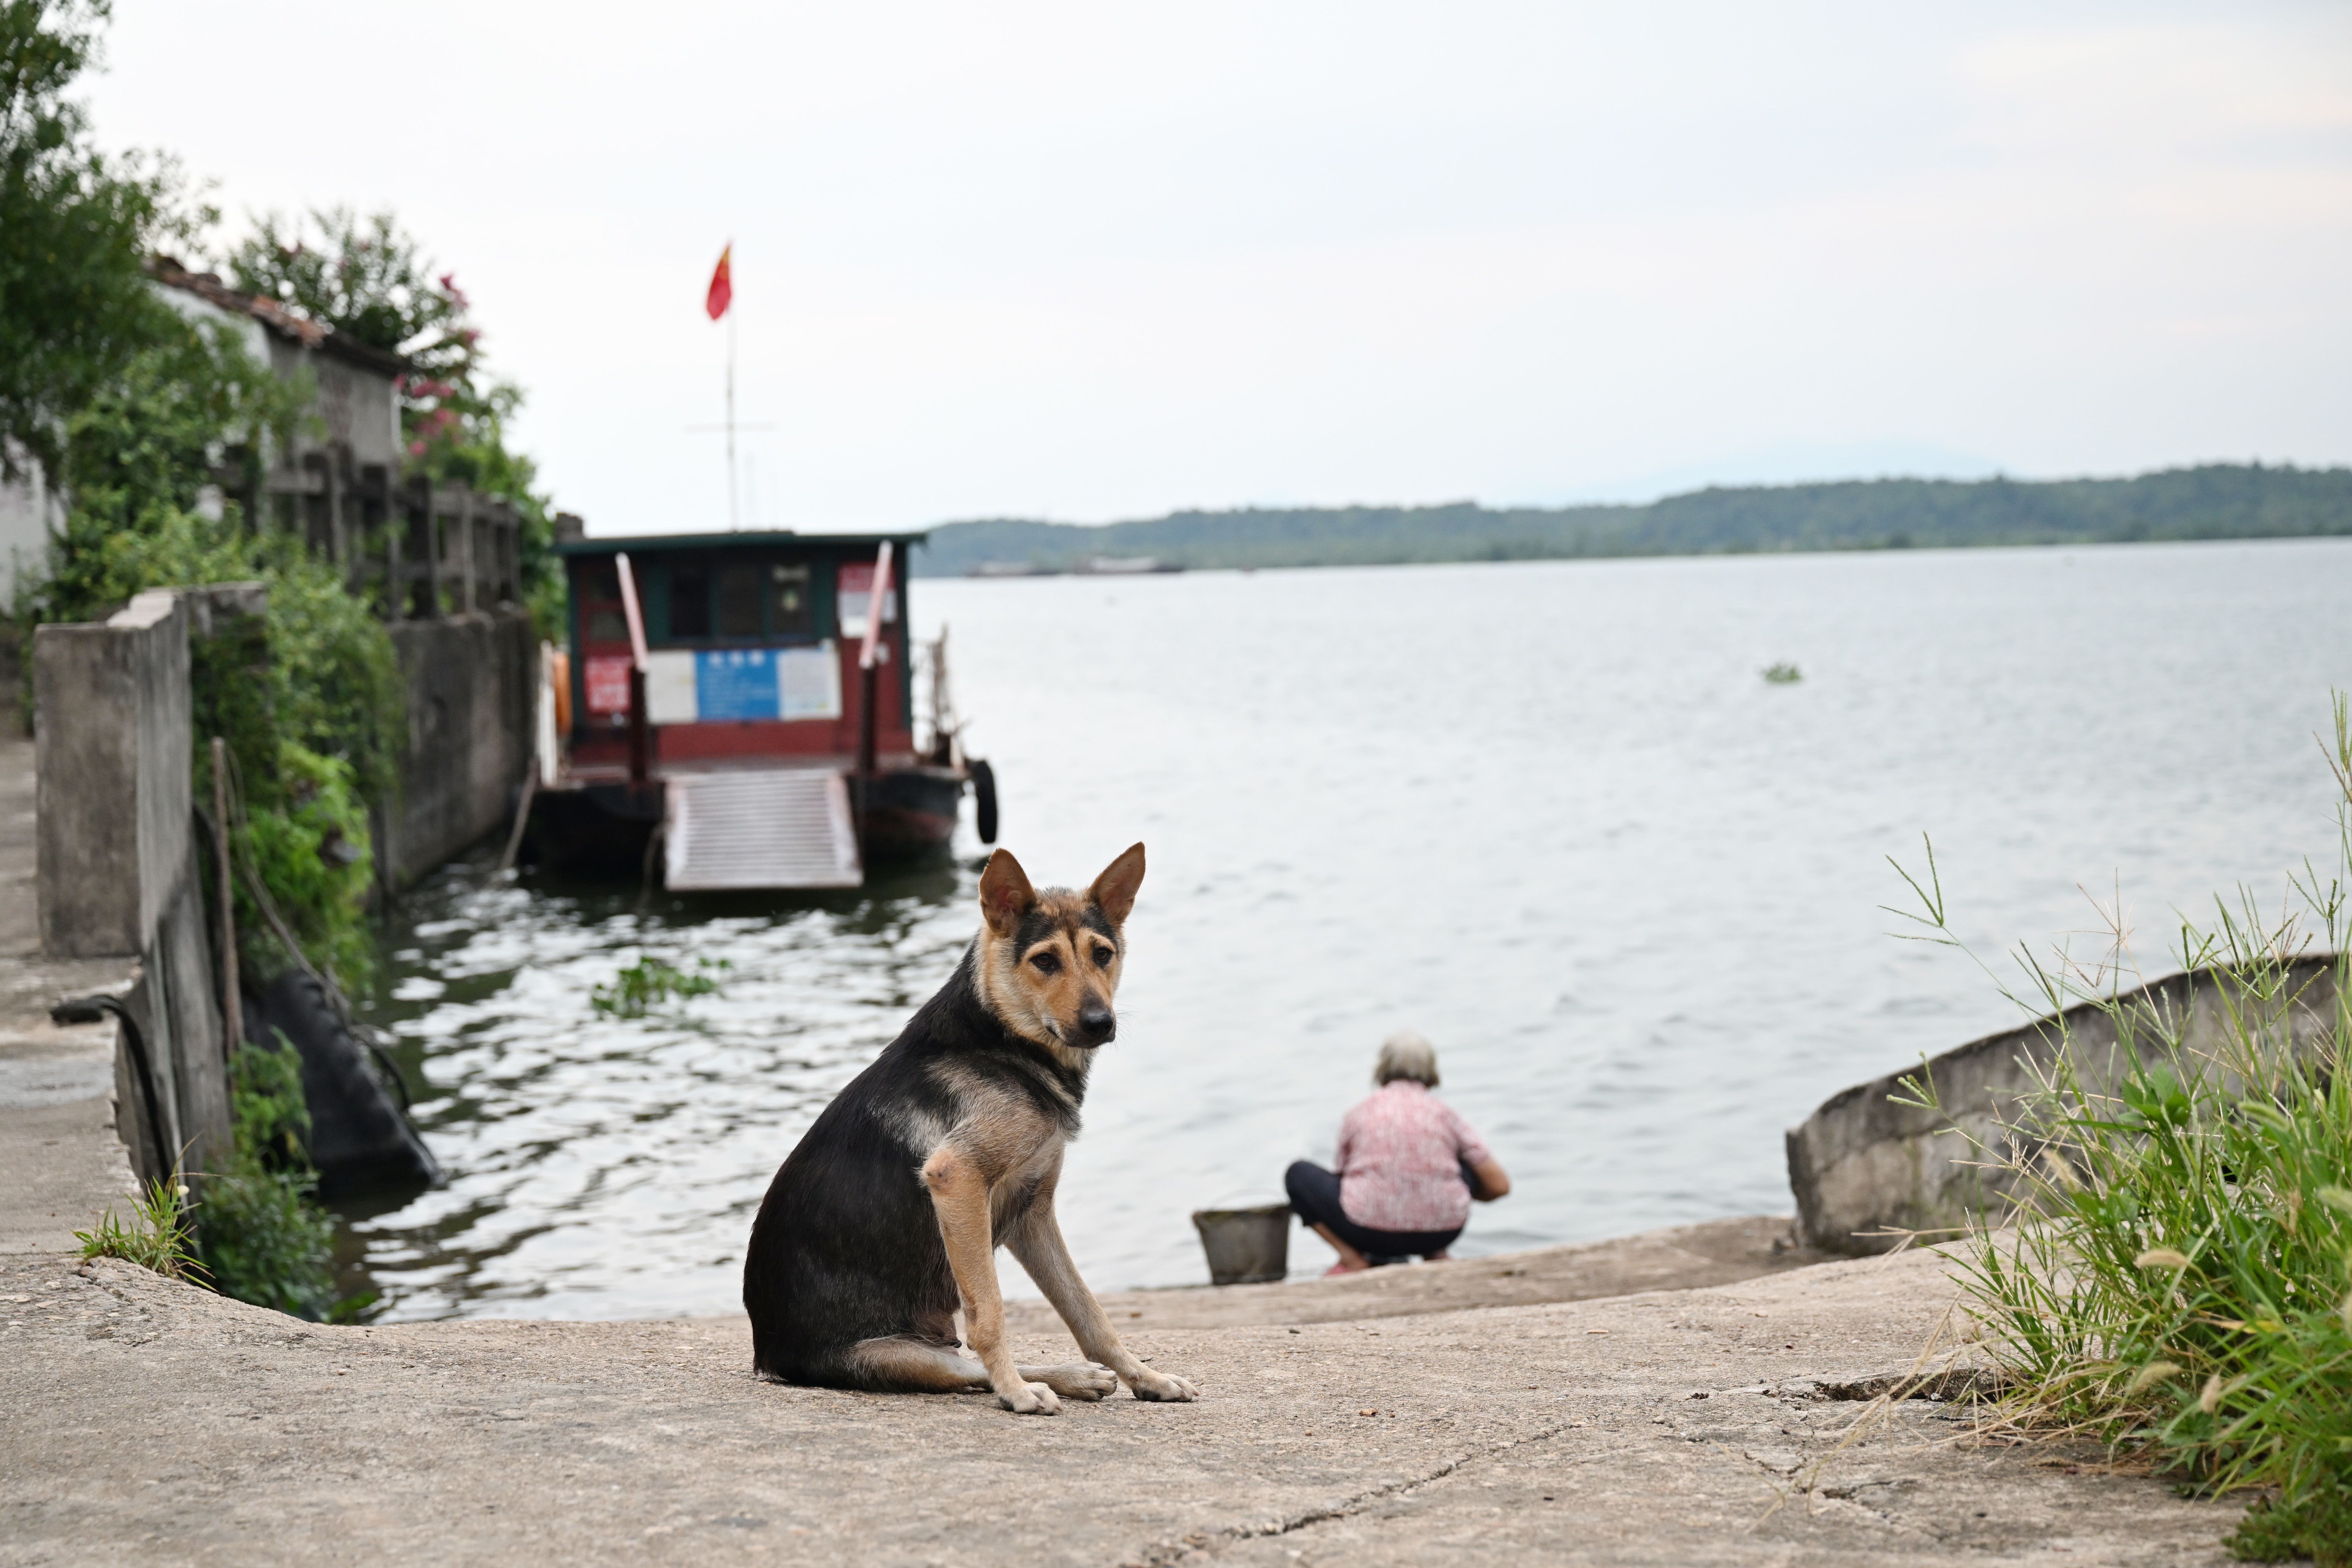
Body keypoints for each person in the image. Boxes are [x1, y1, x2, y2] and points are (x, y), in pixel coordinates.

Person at [1284, 1031, 1510, 1275]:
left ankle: (1351, 1259)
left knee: (1297, 1174)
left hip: (1367, 1232)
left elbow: (1345, 1175)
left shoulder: (1359, 1113)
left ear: (1381, 1069)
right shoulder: (1447, 1115)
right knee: (1462, 1164)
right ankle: (1435, 1255)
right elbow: (1499, 1186)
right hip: (1441, 1233)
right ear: (1432, 1072)